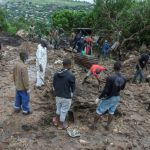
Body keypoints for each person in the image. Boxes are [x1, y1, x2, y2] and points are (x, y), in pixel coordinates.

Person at [91, 62, 126, 130]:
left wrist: (99, 98)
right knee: (111, 112)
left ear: (113, 67)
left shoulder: (110, 77)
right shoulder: (124, 78)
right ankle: (107, 126)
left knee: (99, 111)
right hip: (117, 97)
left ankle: (94, 125)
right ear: (121, 68)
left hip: (109, 97)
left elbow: (106, 90)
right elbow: (122, 88)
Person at [53, 59, 75, 129]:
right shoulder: (71, 75)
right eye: (70, 65)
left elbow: (54, 84)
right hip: (66, 96)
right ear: (68, 65)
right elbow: (73, 87)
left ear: (63, 64)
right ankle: (61, 125)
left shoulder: (56, 74)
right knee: (64, 111)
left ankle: (56, 121)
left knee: (58, 109)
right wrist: (71, 94)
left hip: (58, 95)